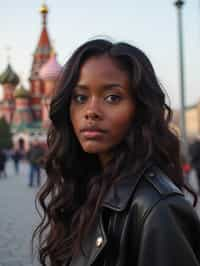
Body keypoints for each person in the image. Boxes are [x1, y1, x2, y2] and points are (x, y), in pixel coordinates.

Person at [33, 39, 200, 266]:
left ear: (140, 109)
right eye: (80, 97)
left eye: (112, 97)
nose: (91, 111)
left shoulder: (157, 209)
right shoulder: (86, 187)